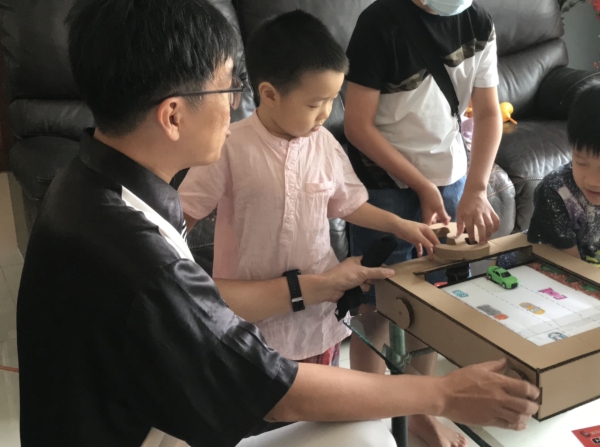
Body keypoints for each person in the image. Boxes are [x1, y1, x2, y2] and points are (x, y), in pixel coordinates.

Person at [16, 1, 540, 446]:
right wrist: (443, 394)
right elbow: (273, 387)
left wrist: (322, 284)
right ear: (173, 115)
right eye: (229, 88)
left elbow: (203, 304)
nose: (237, 103)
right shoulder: (139, 258)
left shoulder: (87, 186)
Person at [178, 10, 439, 368]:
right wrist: (184, 278)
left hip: (318, 312)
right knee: (266, 410)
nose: (325, 114)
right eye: (315, 104)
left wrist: (399, 224)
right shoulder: (229, 147)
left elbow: (347, 204)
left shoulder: (325, 144)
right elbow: (182, 216)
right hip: (253, 317)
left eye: (333, 100)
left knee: (323, 411)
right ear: (269, 95)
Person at [343, 0, 503, 446]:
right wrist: (420, 187)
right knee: (375, 305)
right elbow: (357, 126)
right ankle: (370, 422)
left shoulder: (478, 21)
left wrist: (476, 187)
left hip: (451, 181)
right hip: (384, 186)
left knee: (431, 308)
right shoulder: (378, 23)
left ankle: (419, 412)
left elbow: (488, 113)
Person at [528, 85, 600, 263]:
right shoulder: (555, 192)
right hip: (561, 271)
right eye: (581, 162)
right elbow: (571, 266)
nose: (593, 180)